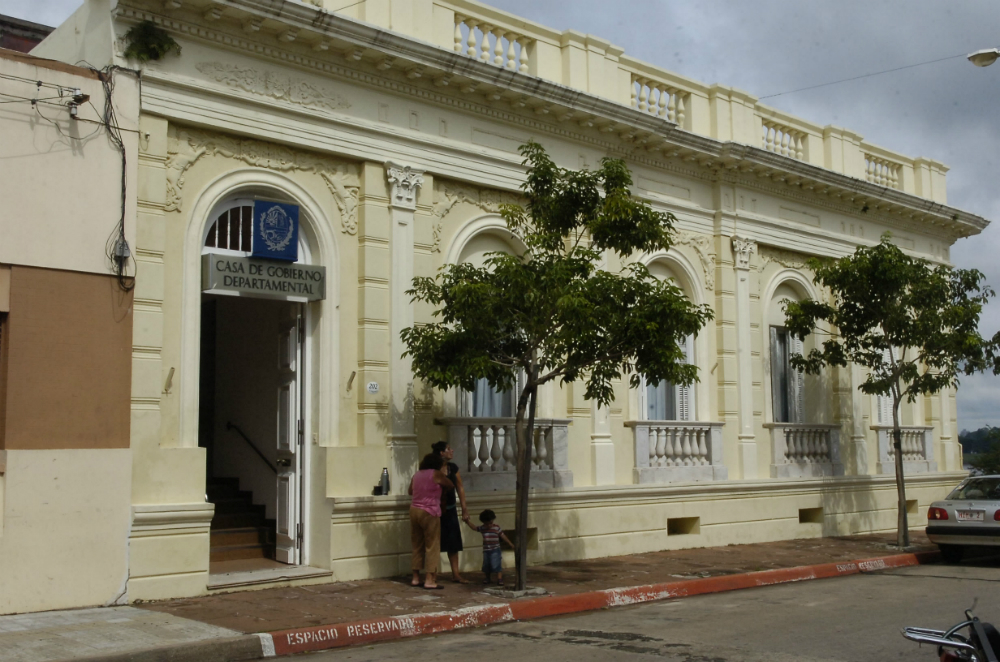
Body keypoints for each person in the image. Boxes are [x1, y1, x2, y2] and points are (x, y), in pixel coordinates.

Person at [408, 453, 454, 589]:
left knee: (417, 544)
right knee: (432, 545)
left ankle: (415, 577)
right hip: (430, 511)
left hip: (414, 510)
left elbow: (410, 491)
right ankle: (429, 579)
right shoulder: (436, 474)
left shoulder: (416, 475)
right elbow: (450, 485)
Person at [432, 440, 470, 584]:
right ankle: (432, 574)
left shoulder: (452, 468)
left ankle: (456, 574)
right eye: (448, 449)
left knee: (453, 543)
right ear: (441, 453)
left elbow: (460, 487)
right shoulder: (433, 469)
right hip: (435, 510)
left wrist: (464, 508)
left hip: (451, 508)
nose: (452, 451)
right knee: (435, 542)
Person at [465, 508, 513, 586]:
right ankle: (487, 578)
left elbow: (503, 536)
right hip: (486, 550)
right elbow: (474, 528)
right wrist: (467, 522)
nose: (489, 525)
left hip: (495, 549)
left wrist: (510, 544)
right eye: (486, 524)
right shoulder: (483, 528)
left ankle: (499, 578)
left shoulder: (496, 528)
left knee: (496, 564)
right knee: (486, 565)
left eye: (490, 523)